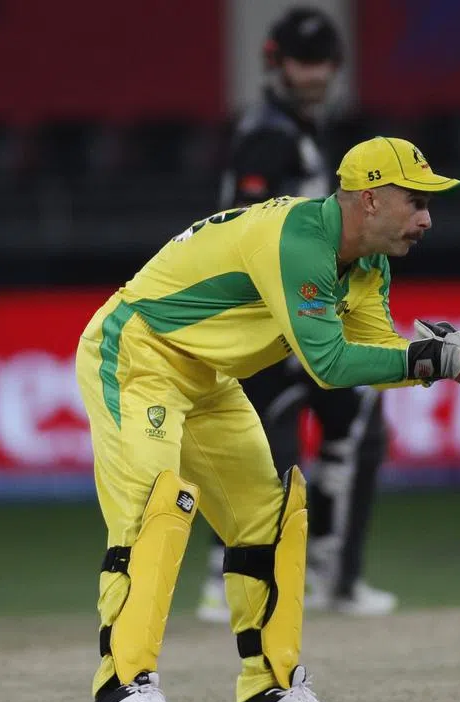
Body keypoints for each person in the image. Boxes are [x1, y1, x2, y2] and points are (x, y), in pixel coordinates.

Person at [77, 135, 460, 702]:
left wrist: (449, 356)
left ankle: (269, 692)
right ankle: (119, 691)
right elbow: (328, 364)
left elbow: (375, 354)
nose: (427, 218)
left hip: (209, 374)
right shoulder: (300, 241)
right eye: (415, 200)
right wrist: (435, 362)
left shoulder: (368, 263)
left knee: (269, 517)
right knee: (156, 506)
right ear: (369, 200)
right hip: (136, 353)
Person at [198, 6, 397, 622]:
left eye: (323, 64)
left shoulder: (309, 131)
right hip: (265, 320)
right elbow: (253, 234)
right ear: (276, 65)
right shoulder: (268, 135)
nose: (313, 76)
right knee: (266, 448)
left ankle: (333, 576)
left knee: (356, 416)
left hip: (301, 317)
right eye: (302, 63)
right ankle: (226, 579)